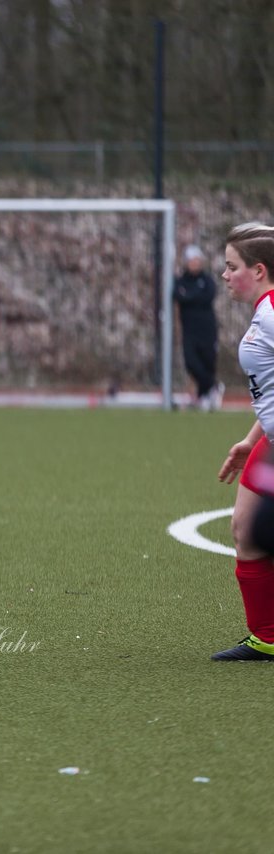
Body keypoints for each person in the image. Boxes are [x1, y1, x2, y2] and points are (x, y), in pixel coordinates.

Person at [213, 222, 274, 660]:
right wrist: (251, 438)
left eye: (231, 266)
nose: (224, 274)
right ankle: (267, 638)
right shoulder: (263, 312)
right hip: (268, 440)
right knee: (245, 530)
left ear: (258, 269)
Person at [174, 244, 222, 410]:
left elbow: (207, 296)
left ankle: (204, 396)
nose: (195, 264)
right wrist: (194, 295)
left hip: (207, 330)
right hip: (189, 330)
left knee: (208, 362)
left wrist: (190, 296)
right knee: (191, 363)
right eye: (191, 261)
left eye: (197, 260)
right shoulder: (180, 281)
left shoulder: (207, 280)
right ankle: (212, 387)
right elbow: (178, 295)